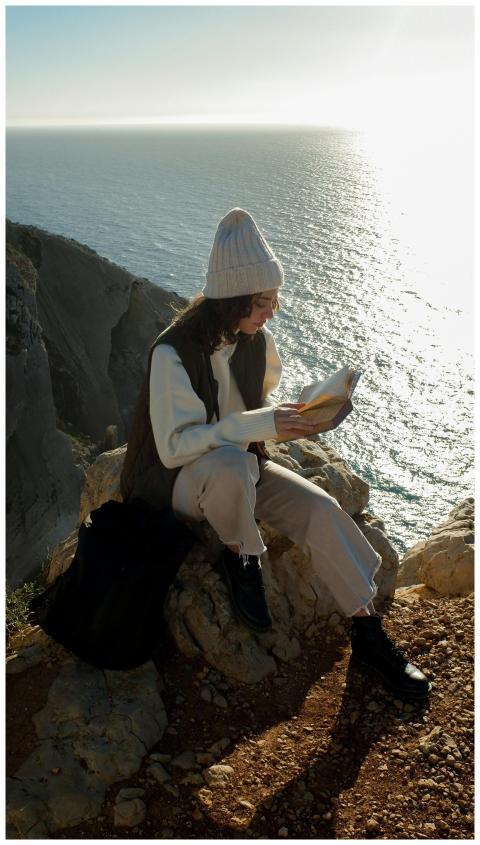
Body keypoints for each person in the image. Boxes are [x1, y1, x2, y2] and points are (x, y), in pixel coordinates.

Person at [121, 208, 431, 698]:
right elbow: (175, 446)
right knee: (227, 466)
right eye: (264, 301)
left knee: (321, 510)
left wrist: (304, 414)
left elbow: (257, 408)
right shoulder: (172, 354)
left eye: (273, 299)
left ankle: (368, 634)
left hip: (243, 467)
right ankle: (241, 556)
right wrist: (258, 423)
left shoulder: (254, 341)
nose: (273, 311)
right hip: (178, 483)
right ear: (233, 299)